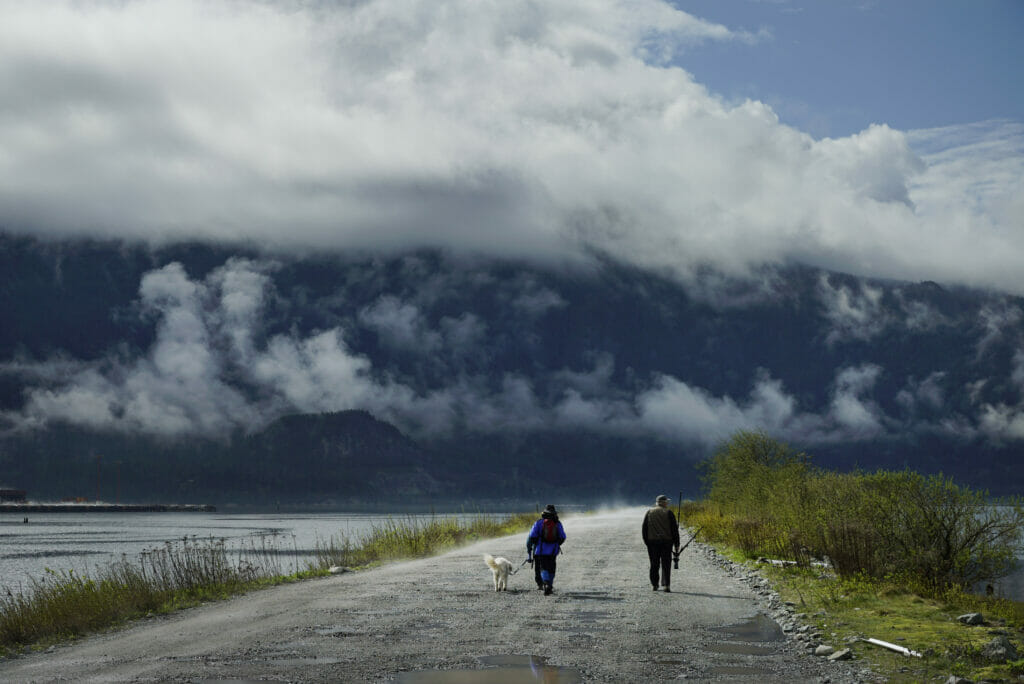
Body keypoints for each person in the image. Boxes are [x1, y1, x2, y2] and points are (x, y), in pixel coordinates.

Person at [642, 494, 680, 592]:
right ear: (663, 502)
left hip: (652, 543)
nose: (667, 503)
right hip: (666, 542)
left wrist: (647, 542)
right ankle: (666, 585)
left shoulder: (649, 512)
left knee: (654, 564)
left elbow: (644, 529)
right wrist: (677, 544)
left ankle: (655, 585)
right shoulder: (669, 513)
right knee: (666, 564)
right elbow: (674, 530)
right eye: (666, 502)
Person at [527, 504, 566, 595]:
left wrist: (537, 544)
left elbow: (532, 536)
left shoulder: (539, 523)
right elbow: (563, 537)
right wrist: (556, 544)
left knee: (543, 567)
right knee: (552, 567)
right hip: (553, 550)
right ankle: (550, 585)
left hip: (541, 550)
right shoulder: (558, 523)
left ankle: (546, 583)